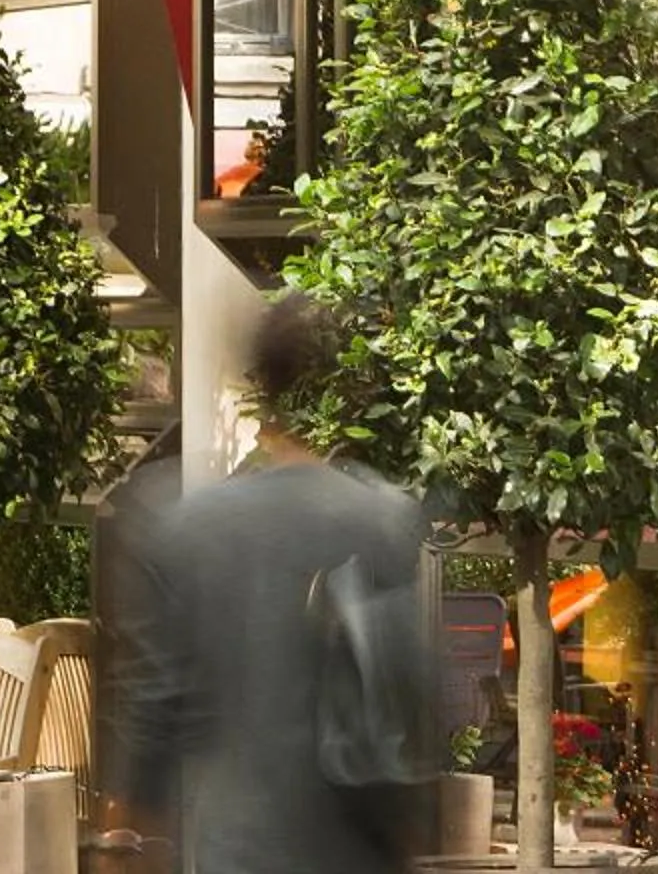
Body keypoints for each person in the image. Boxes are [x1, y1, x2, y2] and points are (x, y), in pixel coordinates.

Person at [107, 293, 434, 873]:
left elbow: (156, 708)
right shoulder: (380, 520)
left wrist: (128, 829)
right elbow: (409, 694)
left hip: (237, 847)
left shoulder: (190, 528)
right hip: (353, 850)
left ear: (264, 390)